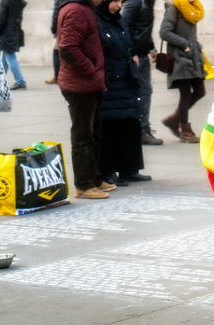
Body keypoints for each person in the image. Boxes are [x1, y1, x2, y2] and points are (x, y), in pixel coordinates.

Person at [57, 0, 117, 199]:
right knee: (83, 136)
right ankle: (83, 185)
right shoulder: (77, 10)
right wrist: (90, 69)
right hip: (80, 84)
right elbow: (67, 47)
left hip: (89, 83)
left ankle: (95, 179)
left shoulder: (85, 9)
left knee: (94, 133)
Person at [95, 0, 151, 187]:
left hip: (126, 78)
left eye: (120, 1)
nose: (119, 5)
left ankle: (129, 169)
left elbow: (127, 42)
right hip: (110, 80)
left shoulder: (116, 20)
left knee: (129, 124)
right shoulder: (97, 20)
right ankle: (108, 171)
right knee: (110, 125)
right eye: (115, 1)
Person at [159, 0, 206, 143]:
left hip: (193, 57)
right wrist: (184, 44)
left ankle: (173, 119)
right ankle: (185, 130)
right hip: (180, 58)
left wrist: (195, 46)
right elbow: (164, 32)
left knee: (200, 91)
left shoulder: (193, 9)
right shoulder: (174, 8)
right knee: (185, 93)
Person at [122, 0, 164, 146]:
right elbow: (124, 27)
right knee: (138, 93)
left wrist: (151, 47)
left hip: (142, 54)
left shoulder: (147, 3)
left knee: (145, 91)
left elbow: (143, 29)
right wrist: (132, 52)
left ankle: (143, 129)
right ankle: (138, 130)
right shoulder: (135, 3)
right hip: (135, 57)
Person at [0, 0, 28, 90]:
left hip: (6, 33)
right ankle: (0, 80)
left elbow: (1, 20)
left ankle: (20, 81)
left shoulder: (4, 2)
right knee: (5, 57)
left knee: (10, 57)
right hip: (14, 31)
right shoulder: (16, 2)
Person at [46, 0, 61, 84]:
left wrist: (53, 28)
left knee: (56, 51)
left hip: (61, 28)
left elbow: (56, 13)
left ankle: (57, 76)